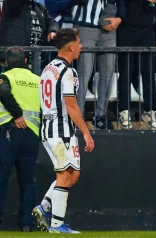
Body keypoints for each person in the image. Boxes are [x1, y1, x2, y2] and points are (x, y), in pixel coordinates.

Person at [32, 28, 94, 234]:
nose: (81, 47)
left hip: (49, 127)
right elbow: (71, 106)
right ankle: (57, 225)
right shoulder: (68, 72)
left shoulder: (48, 68)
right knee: (65, 175)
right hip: (61, 128)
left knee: (72, 174)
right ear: (70, 47)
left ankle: (44, 208)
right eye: (78, 43)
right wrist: (86, 132)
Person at [0, 46, 41, 232]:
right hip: (32, 134)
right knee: (28, 181)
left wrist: (16, 114)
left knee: (1, 178)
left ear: (6, 63)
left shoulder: (6, 77)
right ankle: (26, 224)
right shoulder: (37, 80)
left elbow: (2, 92)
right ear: (26, 61)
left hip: (9, 131)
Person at [117, 0, 156, 130]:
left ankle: (149, 111)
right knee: (126, 73)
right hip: (127, 31)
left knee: (149, 74)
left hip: (147, 32)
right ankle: (124, 111)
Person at [73, 0, 126, 129]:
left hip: (109, 28)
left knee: (107, 74)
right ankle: (77, 116)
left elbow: (122, 3)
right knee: (84, 73)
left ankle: (100, 116)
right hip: (85, 26)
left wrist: (119, 18)